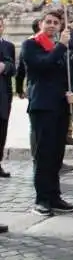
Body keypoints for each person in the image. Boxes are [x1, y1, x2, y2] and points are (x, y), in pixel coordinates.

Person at [21, 9, 73, 216]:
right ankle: (42, 199)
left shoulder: (58, 47)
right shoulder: (31, 45)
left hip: (60, 107)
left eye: (56, 22)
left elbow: (66, 75)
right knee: (43, 155)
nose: (52, 25)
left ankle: (54, 196)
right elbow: (43, 66)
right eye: (49, 22)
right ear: (40, 24)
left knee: (56, 156)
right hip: (42, 107)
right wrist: (62, 45)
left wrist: (71, 92)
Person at [0, 18, 16, 178]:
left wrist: (5, 67)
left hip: (2, 96)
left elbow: (13, 68)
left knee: (1, 132)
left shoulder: (8, 46)